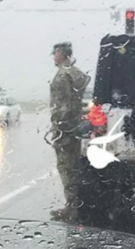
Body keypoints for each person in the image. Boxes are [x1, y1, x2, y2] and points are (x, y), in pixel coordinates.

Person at [49, 42, 90, 222]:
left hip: (65, 128)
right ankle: (75, 205)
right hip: (74, 126)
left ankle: (72, 207)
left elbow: (64, 105)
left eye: (55, 53)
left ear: (62, 53)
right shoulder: (74, 72)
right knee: (72, 166)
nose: (54, 57)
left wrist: (59, 126)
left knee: (66, 167)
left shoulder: (63, 75)